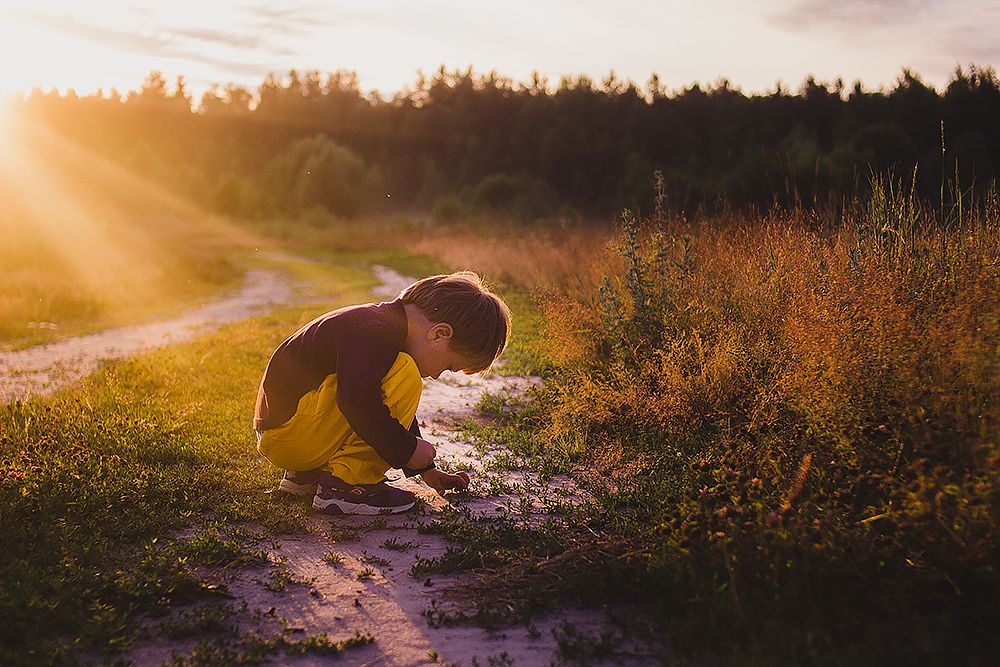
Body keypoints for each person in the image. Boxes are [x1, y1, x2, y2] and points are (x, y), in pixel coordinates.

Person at [253, 271, 511, 515]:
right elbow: (357, 400)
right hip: (294, 437)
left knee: (384, 383)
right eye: (447, 366)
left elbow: (379, 405)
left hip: (291, 439)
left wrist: (426, 469)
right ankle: (348, 486)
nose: (436, 375)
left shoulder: (376, 323)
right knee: (404, 372)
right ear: (439, 334)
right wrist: (407, 448)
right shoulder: (375, 333)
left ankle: (306, 475)